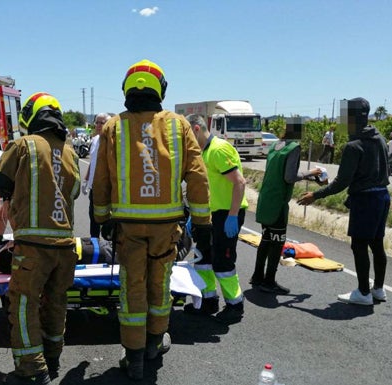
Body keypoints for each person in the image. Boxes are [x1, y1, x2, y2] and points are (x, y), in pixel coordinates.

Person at [93, 60, 211, 380]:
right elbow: (198, 177)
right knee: (159, 286)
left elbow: (101, 180)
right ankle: (154, 344)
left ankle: (133, 357)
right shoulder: (178, 125)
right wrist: (202, 222)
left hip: (127, 229)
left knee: (133, 289)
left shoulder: (113, 127)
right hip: (166, 229)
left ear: (127, 90)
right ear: (160, 88)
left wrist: (101, 216)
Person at [0, 92, 80, 385]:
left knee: (24, 305)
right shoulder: (70, 151)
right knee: (56, 303)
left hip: (33, 247)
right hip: (64, 245)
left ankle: (31, 369)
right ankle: (52, 358)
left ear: (30, 116)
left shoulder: (24, 144)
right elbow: (74, 192)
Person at [298, 97, 390, 306]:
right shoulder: (380, 138)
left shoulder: (354, 145)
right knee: (377, 244)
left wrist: (316, 195)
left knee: (359, 245)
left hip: (365, 200)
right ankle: (378, 289)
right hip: (382, 196)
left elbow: (342, 182)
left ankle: (363, 293)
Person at [250, 118, 324, 294]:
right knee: (277, 243)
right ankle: (269, 281)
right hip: (278, 204)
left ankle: (257, 276)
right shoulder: (294, 148)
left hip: (266, 199)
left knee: (265, 240)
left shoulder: (276, 145)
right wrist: (311, 173)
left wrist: (309, 177)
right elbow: (289, 177)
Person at [186, 113, 247, 324]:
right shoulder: (202, 152)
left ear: (195, 129)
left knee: (223, 262)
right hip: (208, 215)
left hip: (226, 213)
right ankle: (208, 299)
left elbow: (239, 183)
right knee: (203, 260)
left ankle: (234, 304)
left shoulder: (219, 149)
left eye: (187, 134)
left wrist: (232, 216)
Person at [82, 112, 110, 238]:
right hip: (94, 187)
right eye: (97, 122)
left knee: (105, 218)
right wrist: (86, 180)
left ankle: (107, 244)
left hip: (106, 188)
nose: (98, 125)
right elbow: (92, 162)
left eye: (102, 122)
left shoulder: (111, 141)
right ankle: (95, 245)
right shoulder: (95, 140)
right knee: (92, 216)